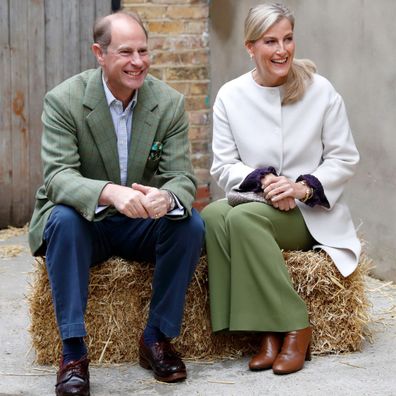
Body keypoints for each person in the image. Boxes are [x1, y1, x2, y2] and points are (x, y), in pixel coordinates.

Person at [28, 11, 204, 395]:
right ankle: (73, 352)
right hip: (88, 223)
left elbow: (183, 177)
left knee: (190, 224)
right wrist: (110, 192)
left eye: (143, 51)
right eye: (126, 51)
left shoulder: (168, 103)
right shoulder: (64, 100)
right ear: (99, 53)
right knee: (62, 219)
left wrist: (167, 197)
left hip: (141, 223)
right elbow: (58, 177)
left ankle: (156, 337)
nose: (138, 61)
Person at [201, 2, 360, 375]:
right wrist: (266, 179)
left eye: (288, 39)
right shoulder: (230, 95)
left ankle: (293, 325)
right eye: (270, 41)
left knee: (243, 222)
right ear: (250, 47)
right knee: (211, 216)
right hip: (259, 198)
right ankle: (264, 333)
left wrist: (302, 188)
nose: (282, 50)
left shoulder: (321, 91)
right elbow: (223, 165)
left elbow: (344, 158)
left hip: (310, 213)